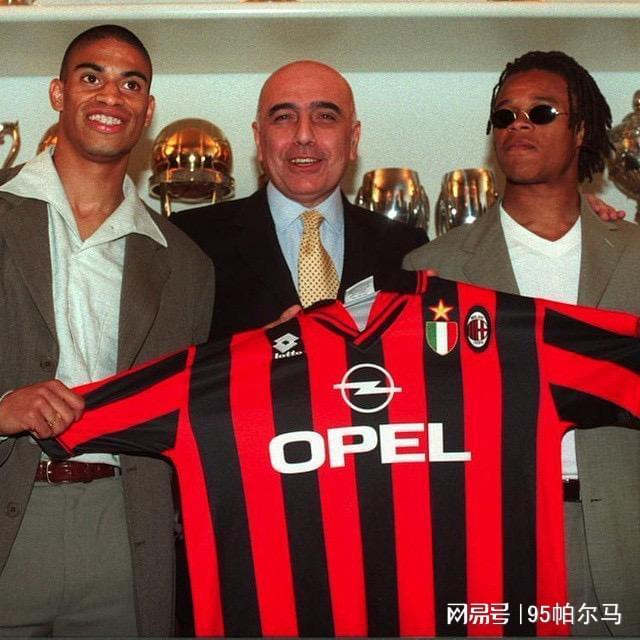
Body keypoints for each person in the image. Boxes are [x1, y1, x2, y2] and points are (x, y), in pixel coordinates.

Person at [404, 50, 640, 636]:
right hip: (487, 545)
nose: (519, 125)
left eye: (541, 112)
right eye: (504, 115)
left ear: (581, 131)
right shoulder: (432, 270)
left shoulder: (635, 253)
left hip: (627, 537)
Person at [0, 25, 214, 636]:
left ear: (148, 110)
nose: (111, 96)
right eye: (91, 77)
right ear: (58, 93)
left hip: (126, 531)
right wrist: (3, 409)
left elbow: (193, 415)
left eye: (131, 84)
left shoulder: (187, 265)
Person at [173, 60, 427, 337]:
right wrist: (251, 351)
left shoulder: (406, 249)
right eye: (284, 117)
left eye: (325, 117)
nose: (304, 136)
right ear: (259, 140)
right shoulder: (189, 240)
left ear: (353, 140)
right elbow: (168, 358)